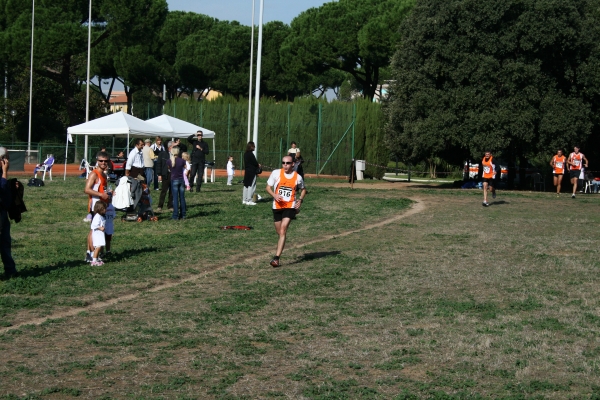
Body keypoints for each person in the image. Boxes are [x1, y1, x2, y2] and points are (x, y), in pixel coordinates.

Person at [265, 155, 307, 268]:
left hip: (290, 206)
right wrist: (274, 195)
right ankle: (282, 243)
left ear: (293, 164)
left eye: (288, 163)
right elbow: (268, 187)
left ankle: (276, 258)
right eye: (283, 163)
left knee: (283, 230)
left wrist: (300, 200)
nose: (285, 165)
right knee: (279, 232)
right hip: (277, 206)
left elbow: (303, 190)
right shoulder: (276, 173)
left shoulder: (297, 177)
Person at [84, 151, 110, 262]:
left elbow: (102, 189)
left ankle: (96, 253)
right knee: (93, 229)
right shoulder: (94, 174)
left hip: (102, 206)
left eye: (105, 161)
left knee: (99, 230)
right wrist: (101, 194)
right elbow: (87, 189)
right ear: (97, 161)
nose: (103, 163)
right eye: (101, 161)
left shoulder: (104, 175)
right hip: (95, 206)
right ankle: (90, 253)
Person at [0, 148, 17, 279]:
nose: (8, 161)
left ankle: (10, 270)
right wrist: (5, 173)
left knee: (5, 242)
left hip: (3, 212)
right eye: (6, 158)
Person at [167, 146, 187, 220]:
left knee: (175, 198)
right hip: (181, 179)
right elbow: (185, 167)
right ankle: (183, 214)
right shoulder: (182, 160)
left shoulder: (169, 161)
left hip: (174, 179)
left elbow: (169, 168)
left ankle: (175, 215)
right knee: (182, 197)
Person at [157, 141, 174, 212]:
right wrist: (159, 174)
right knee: (164, 190)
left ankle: (170, 205)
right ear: (170, 147)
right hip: (165, 174)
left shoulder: (175, 154)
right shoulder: (162, 154)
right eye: (174, 146)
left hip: (173, 174)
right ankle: (160, 206)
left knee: (172, 191)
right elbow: (159, 164)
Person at [243, 141, 260, 205]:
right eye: (253, 146)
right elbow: (255, 163)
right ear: (251, 147)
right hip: (252, 172)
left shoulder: (245, 154)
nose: (254, 147)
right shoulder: (251, 154)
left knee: (246, 185)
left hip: (247, 171)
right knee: (251, 186)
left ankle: (244, 200)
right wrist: (258, 165)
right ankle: (249, 200)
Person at [90, 201, 106, 266]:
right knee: (98, 247)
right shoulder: (97, 217)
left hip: (100, 234)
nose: (105, 210)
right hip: (97, 234)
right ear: (100, 209)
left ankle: (96, 258)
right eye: (104, 209)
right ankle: (94, 261)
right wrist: (100, 228)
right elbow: (93, 225)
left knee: (99, 247)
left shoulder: (100, 216)